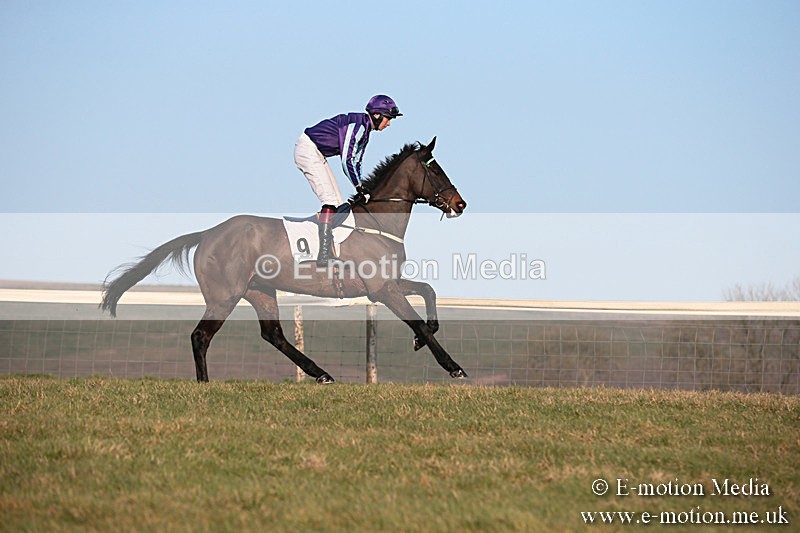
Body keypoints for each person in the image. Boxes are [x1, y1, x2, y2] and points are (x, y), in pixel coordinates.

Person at [294, 95, 402, 264]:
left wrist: (362, 186)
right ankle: (323, 255)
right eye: (388, 119)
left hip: (318, 153)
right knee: (329, 201)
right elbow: (347, 160)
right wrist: (359, 186)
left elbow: (357, 162)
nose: (389, 124)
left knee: (338, 203)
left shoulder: (365, 131)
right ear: (377, 115)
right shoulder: (358, 127)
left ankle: (328, 246)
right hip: (308, 150)